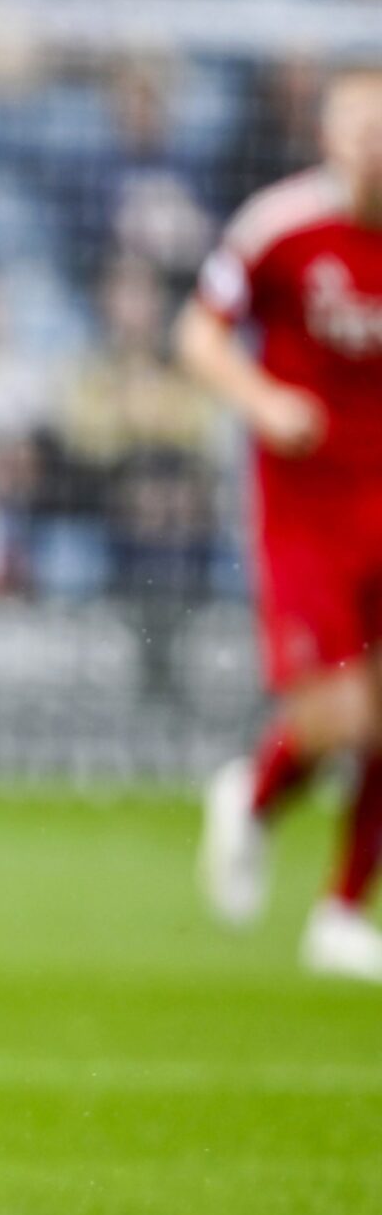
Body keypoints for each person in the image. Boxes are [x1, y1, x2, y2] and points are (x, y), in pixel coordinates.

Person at [187, 68, 382, 982]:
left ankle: (343, 911)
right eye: (358, 129)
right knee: (339, 718)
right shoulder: (281, 227)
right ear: (331, 138)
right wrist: (264, 401)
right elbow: (199, 333)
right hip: (306, 507)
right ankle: (254, 794)